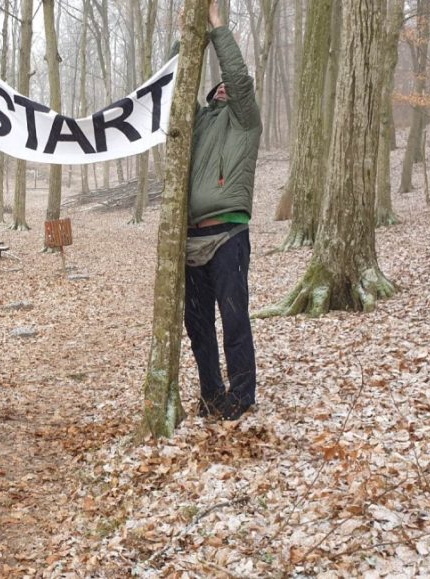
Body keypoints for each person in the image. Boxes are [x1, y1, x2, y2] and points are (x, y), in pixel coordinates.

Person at [183, 0, 262, 421]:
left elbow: (238, 80)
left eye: (231, 86)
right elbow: (174, 92)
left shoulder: (245, 121)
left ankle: (242, 396)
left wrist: (216, 28)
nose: (226, 88)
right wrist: (183, 39)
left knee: (234, 320)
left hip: (228, 235)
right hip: (191, 240)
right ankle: (212, 394)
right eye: (220, 87)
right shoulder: (197, 123)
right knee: (197, 326)